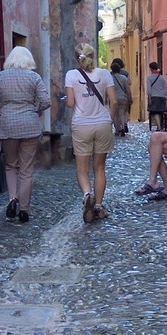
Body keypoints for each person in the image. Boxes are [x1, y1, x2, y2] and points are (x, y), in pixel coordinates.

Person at [0, 45, 49, 223]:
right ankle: (24, 209)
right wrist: (36, 111)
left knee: (11, 165)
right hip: (30, 125)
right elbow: (45, 101)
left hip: (8, 125)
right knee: (26, 169)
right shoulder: (34, 77)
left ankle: (12, 199)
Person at [64, 44, 115, 223]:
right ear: (94, 55)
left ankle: (87, 194)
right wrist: (111, 119)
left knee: (82, 168)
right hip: (102, 123)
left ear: (76, 57)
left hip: (81, 124)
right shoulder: (104, 74)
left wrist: (68, 99)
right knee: (100, 167)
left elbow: (70, 103)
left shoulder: (71, 75)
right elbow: (114, 101)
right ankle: (98, 206)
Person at [108, 58, 133, 137]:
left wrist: (105, 98)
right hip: (122, 97)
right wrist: (130, 98)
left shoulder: (109, 77)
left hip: (113, 98)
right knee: (122, 114)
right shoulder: (124, 77)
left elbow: (107, 89)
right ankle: (122, 126)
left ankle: (116, 130)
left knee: (115, 115)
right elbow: (128, 89)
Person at [145, 62, 167, 131]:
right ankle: (160, 126)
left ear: (150, 68)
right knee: (160, 112)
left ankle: (159, 127)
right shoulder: (162, 78)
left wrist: (149, 98)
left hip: (154, 96)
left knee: (155, 112)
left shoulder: (149, 78)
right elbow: (165, 88)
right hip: (161, 97)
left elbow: (149, 89)